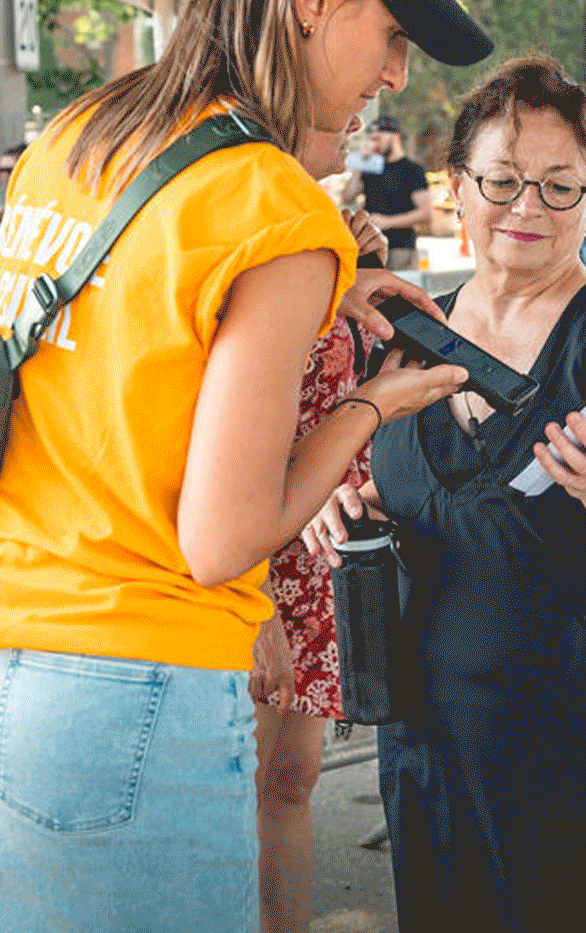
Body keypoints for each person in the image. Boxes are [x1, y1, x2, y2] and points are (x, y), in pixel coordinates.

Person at [0, 0, 493, 933]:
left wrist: (333, 279)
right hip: (121, 696)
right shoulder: (276, 207)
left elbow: (128, 322)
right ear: (314, 0)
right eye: (393, 34)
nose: (397, 73)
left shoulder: (84, 131)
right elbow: (225, 539)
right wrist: (376, 404)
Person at [304, 56, 586, 932]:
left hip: (585, 744)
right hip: (434, 741)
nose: (528, 207)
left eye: (560, 187)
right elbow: (421, 500)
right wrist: (361, 516)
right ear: (458, 186)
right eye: (502, 180)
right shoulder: (406, 329)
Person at [250, 203, 387, 933]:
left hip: (317, 540)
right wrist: (254, 597)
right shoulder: (240, 245)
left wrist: (352, 271)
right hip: (246, 543)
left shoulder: (315, 234)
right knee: (237, 786)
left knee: (293, 779)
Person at [342, 114, 431, 269]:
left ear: (395, 137)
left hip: (400, 247)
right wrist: (359, 167)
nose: (374, 144)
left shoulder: (412, 170)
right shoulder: (370, 168)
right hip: (369, 247)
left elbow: (425, 213)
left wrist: (387, 222)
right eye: (372, 139)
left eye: (378, 139)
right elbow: (347, 197)